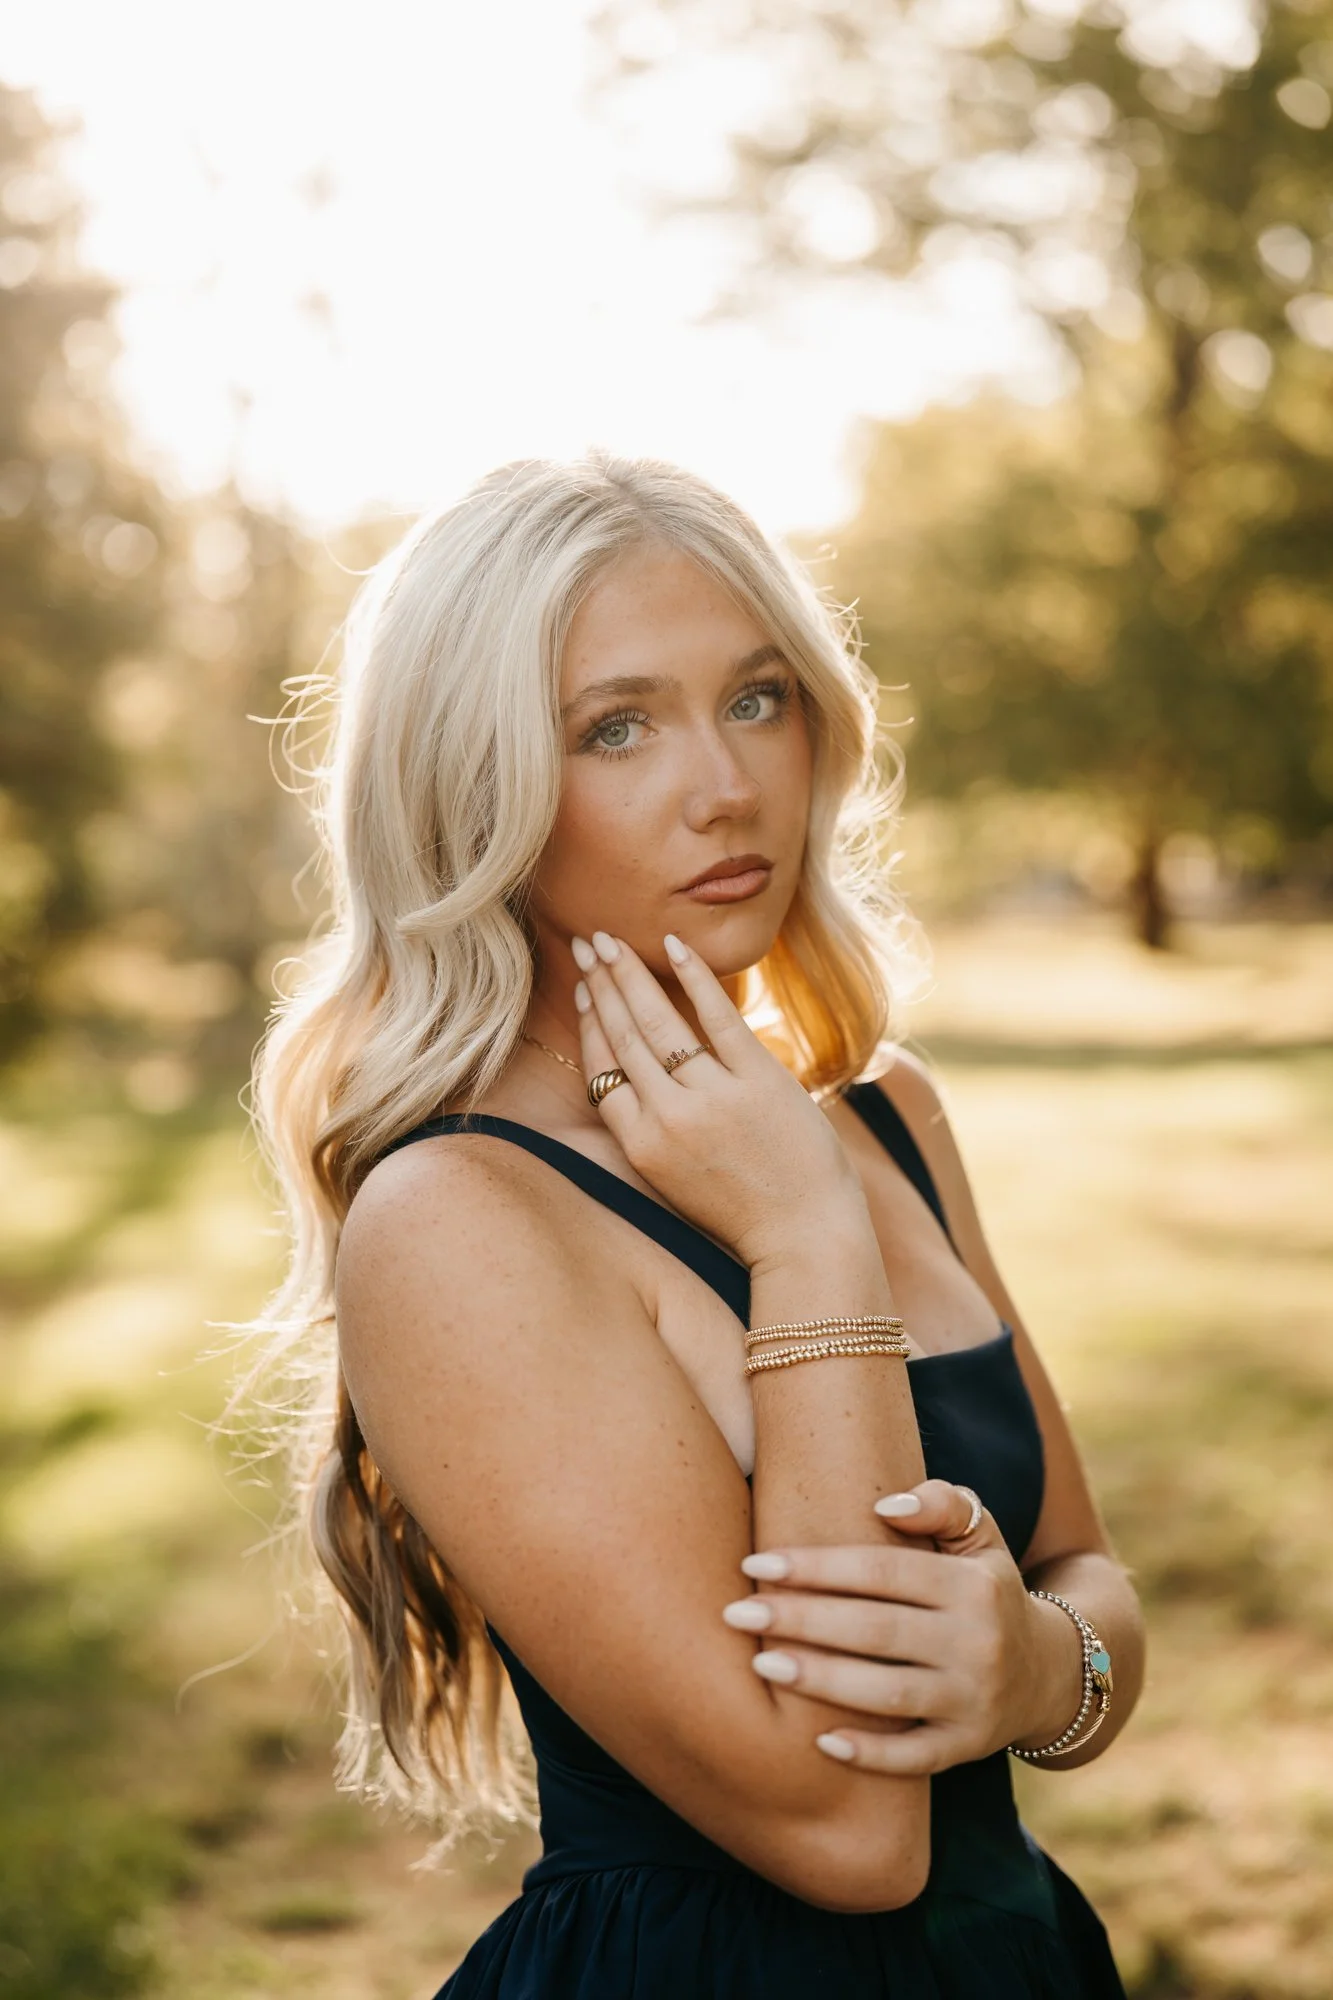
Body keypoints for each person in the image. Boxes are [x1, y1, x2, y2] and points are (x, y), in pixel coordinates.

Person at [240, 449, 1145, 1998]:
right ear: (477, 792)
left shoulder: (886, 1115)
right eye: (616, 726)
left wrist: (1042, 1672)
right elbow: (854, 1833)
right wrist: (797, 1231)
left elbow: (1083, 1567)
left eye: (757, 696)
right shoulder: (455, 1217)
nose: (726, 785)